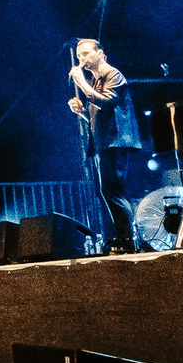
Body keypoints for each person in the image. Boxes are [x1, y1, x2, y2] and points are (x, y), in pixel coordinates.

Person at [66, 38, 133, 249]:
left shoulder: (112, 74)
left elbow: (108, 101)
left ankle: (128, 240)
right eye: (79, 56)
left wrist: (82, 84)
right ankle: (116, 238)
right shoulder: (96, 80)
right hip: (104, 142)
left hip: (115, 141)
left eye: (85, 54)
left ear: (100, 53)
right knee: (106, 191)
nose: (82, 59)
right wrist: (82, 112)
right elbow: (100, 114)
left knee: (114, 192)